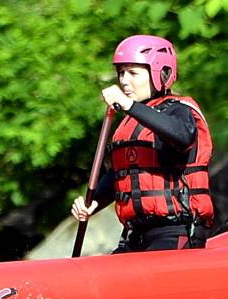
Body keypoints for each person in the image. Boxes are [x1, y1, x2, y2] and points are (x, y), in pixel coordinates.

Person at [71, 35, 214, 252]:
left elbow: (182, 137)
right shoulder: (133, 121)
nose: (124, 80)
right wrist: (94, 203)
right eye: (121, 73)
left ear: (160, 74)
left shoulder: (179, 111)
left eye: (133, 73)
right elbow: (123, 174)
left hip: (175, 232)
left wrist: (128, 105)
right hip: (135, 235)